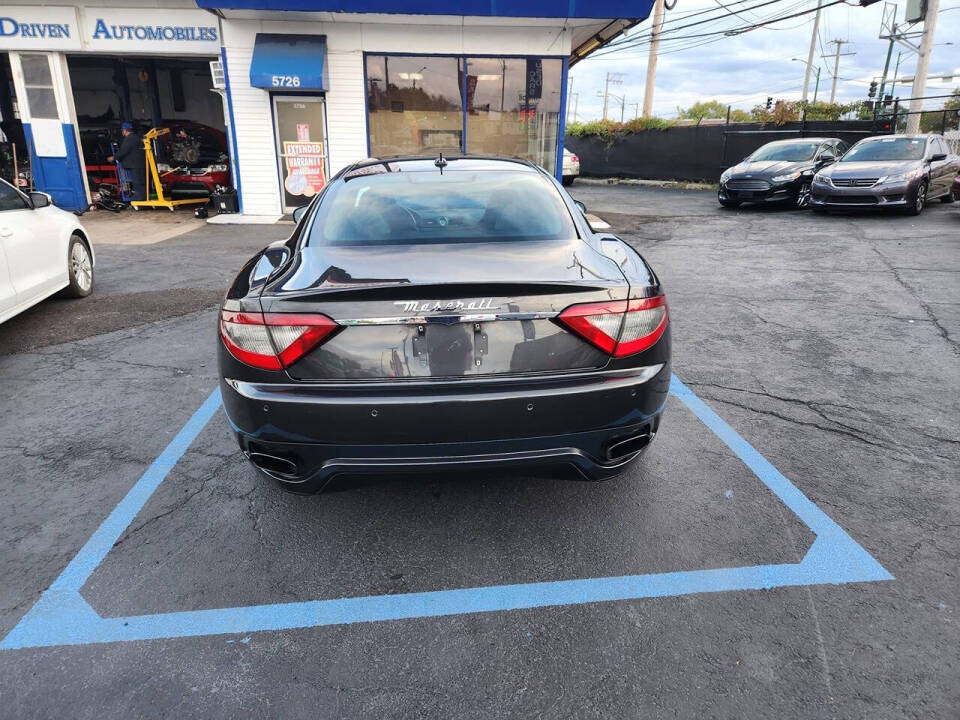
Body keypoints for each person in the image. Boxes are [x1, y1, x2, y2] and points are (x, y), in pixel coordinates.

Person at [107, 122, 146, 202]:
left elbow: (123, 151)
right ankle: (143, 199)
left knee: (137, 183)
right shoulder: (137, 137)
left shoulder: (129, 139)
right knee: (141, 182)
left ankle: (140, 201)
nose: (122, 132)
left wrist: (113, 157)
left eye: (123, 130)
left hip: (134, 165)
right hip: (139, 164)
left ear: (125, 130)